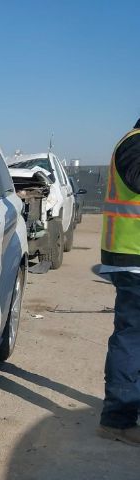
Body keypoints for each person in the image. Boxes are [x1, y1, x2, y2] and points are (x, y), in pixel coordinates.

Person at [98, 117, 140, 446]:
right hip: (132, 258)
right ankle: (118, 418)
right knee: (131, 336)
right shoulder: (134, 143)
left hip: (130, 255)